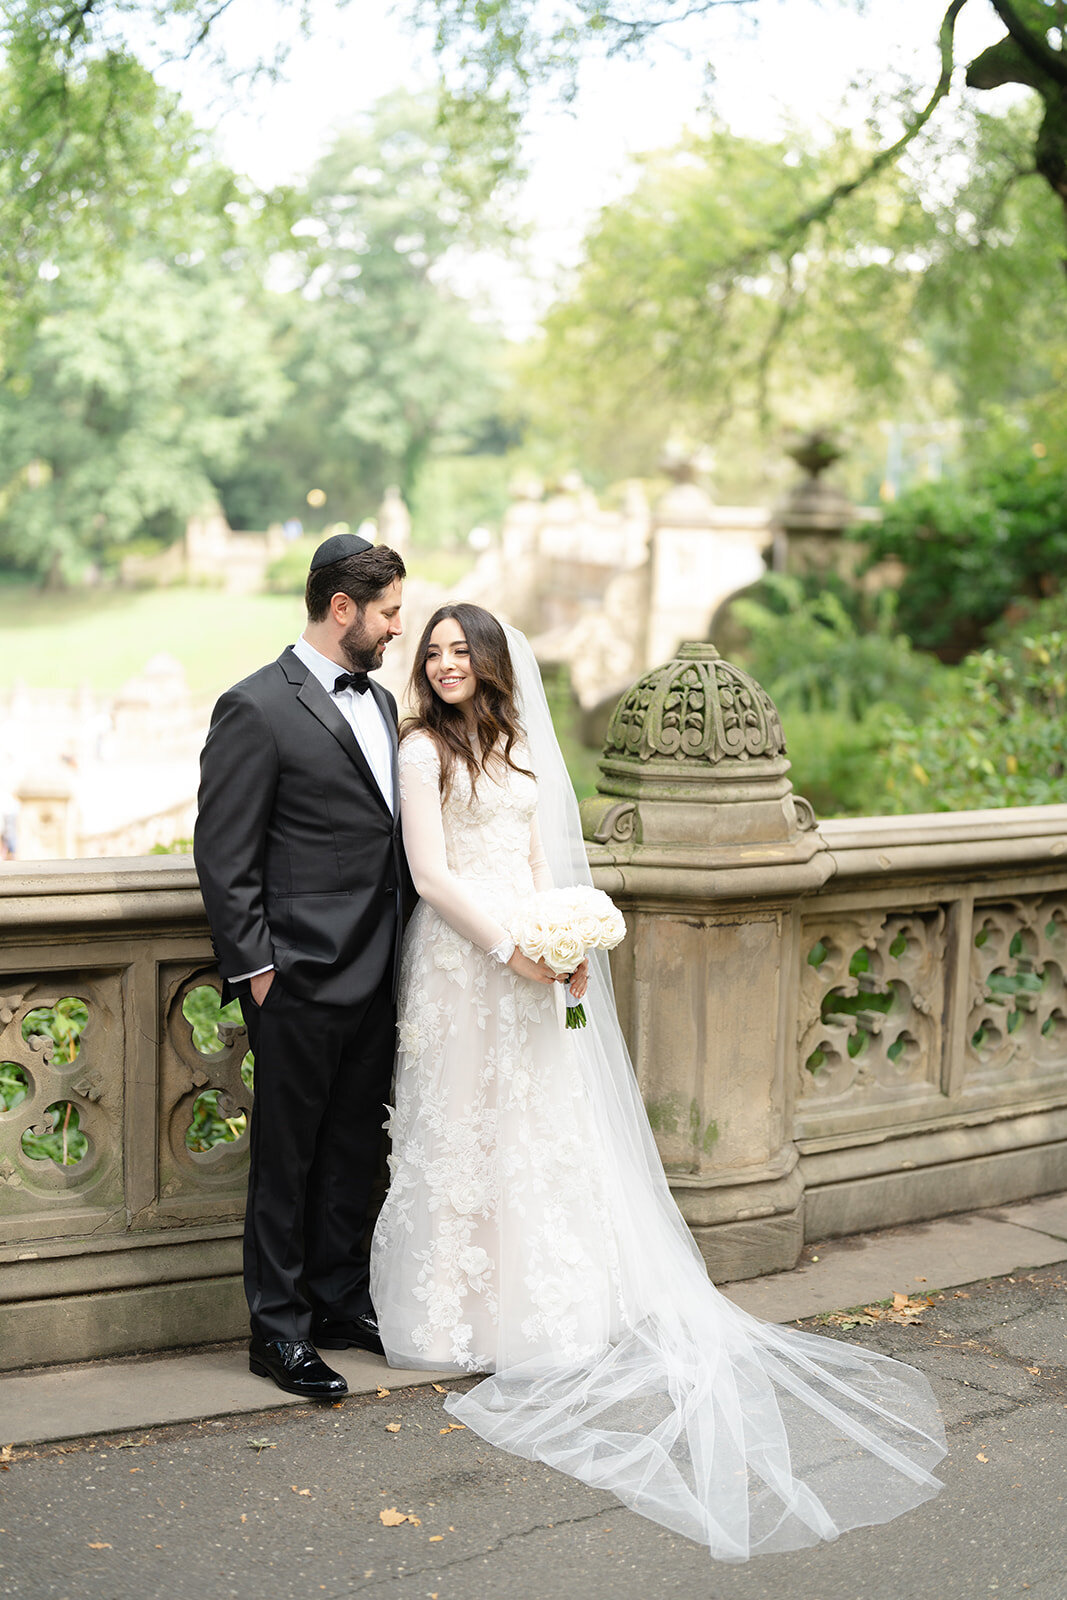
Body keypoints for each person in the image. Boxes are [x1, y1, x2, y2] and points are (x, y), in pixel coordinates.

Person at [370, 602, 947, 1562]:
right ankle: (452, 1312)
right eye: (430, 653)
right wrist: (514, 945)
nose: (442, 666)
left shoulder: (514, 743)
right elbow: (430, 876)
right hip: (461, 963)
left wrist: (567, 935)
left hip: (531, 960)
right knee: (458, 1129)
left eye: (458, 652)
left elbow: (537, 854)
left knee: (536, 1128)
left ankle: (541, 1303)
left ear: (493, 663)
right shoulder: (421, 753)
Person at [194, 534, 407, 1401]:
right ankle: (275, 1334)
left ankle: (336, 1303)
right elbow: (225, 853)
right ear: (343, 609)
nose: (400, 627)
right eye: (390, 612)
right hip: (299, 978)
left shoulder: (387, 705)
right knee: (285, 1162)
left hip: (381, 971)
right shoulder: (254, 707)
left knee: (354, 1151)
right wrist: (258, 972)